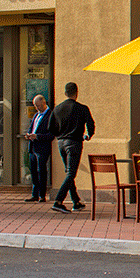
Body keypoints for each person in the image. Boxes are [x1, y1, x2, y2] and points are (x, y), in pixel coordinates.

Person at [49, 81, 95, 213]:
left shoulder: (57, 108)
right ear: (77, 93)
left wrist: (59, 135)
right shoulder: (82, 108)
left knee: (69, 171)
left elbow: (50, 127)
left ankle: (76, 201)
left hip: (61, 143)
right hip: (74, 143)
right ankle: (58, 201)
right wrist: (88, 135)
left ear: (65, 93)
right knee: (71, 173)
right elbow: (90, 125)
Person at [23, 94, 53, 202]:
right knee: (34, 172)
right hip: (33, 147)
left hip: (42, 148)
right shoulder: (36, 115)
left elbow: (51, 135)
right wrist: (29, 134)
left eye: (38, 106)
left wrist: (38, 136)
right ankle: (34, 194)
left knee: (41, 171)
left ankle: (42, 195)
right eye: (35, 106)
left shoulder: (50, 115)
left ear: (44, 103)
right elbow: (32, 128)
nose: (37, 108)